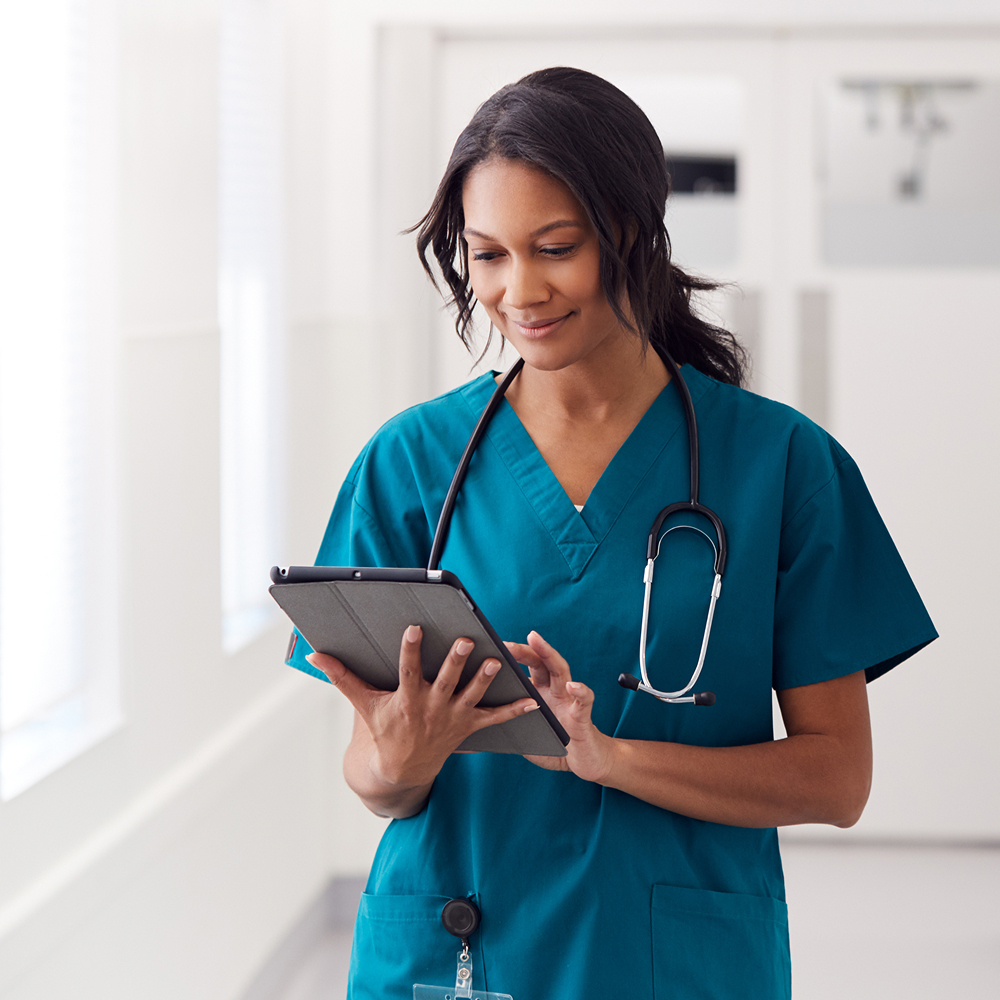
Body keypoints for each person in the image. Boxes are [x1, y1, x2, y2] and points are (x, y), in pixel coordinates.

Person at [287, 67, 937, 999]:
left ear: (633, 231)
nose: (520, 290)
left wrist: (613, 758)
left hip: (672, 961)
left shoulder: (783, 467)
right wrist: (399, 757)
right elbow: (375, 775)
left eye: (555, 247)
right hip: (459, 951)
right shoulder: (413, 464)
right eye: (488, 255)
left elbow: (837, 780)